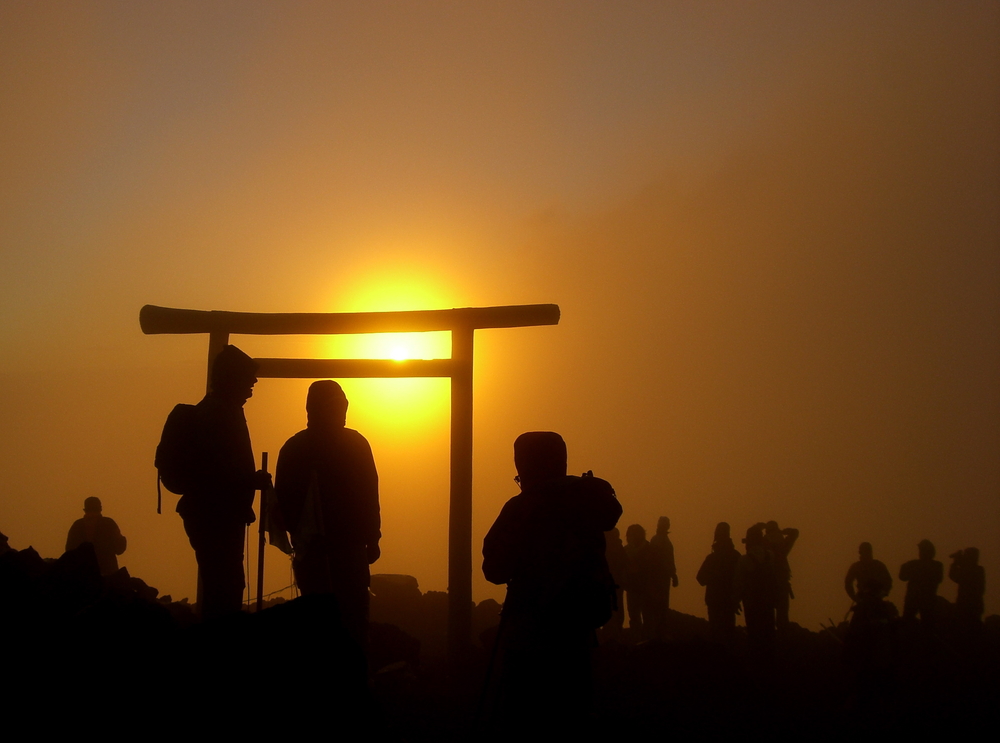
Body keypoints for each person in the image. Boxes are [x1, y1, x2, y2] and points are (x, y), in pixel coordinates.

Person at [482, 432, 621, 730]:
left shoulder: (521, 508)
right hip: (578, 630)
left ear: (524, 465)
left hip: (530, 634)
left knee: (526, 719)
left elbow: (493, 570)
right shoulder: (584, 501)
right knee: (573, 714)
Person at [274, 380, 380, 648]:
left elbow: (283, 504)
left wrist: (372, 537)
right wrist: (372, 537)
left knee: (324, 625)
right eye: (336, 407)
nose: (341, 413)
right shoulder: (355, 445)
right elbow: (370, 495)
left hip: (328, 550)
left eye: (342, 407)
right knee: (346, 623)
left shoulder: (294, 448)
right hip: (333, 550)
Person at [175, 345, 270, 621]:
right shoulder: (219, 414)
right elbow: (217, 472)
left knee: (223, 586)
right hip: (215, 518)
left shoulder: (220, 410)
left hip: (214, 515)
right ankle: (218, 652)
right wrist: (251, 481)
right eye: (247, 379)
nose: (253, 384)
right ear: (232, 378)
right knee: (224, 588)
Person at [734, 523, 777, 658]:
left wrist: (735, 601)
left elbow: (738, 583)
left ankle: (755, 659)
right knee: (768, 630)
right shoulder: (770, 556)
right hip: (768, 600)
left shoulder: (744, 560)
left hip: (751, 601)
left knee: (753, 631)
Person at [696, 522, 741, 645]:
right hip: (729, 601)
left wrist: (714, 577)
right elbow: (742, 580)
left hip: (714, 601)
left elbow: (700, 579)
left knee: (715, 633)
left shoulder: (712, 558)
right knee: (729, 634)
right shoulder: (736, 556)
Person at [65, 496, 127, 576]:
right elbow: (119, 548)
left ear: (85, 509)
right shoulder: (109, 523)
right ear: (100, 508)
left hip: (81, 574)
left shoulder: (77, 525)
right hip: (108, 573)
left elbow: (69, 550)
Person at [646, 516, 678, 638]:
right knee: (660, 604)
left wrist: (673, 574)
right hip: (659, 577)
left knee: (660, 604)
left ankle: (658, 631)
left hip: (661, 576)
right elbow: (667, 560)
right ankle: (658, 632)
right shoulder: (660, 541)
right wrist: (673, 574)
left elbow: (669, 559)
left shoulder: (658, 540)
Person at [899, 539, 943, 624]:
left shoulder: (914, 565)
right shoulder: (936, 566)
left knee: (911, 621)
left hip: (919, 599)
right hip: (922, 599)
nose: (920, 552)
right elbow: (902, 577)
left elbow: (902, 577)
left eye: (922, 550)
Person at [764, 520, 799, 629]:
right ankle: (782, 638)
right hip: (781, 583)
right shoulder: (783, 546)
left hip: (767, 584)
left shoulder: (763, 543)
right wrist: (782, 532)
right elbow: (795, 532)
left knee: (767, 615)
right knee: (782, 616)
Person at [623, 523, 650, 638]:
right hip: (632, 587)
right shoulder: (626, 550)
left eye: (633, 535)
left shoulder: (649, 550)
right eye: (629, 535)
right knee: (634, 614)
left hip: (644, 588)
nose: (630, 538)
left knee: (646, 613)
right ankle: (637, 636)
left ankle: (645, 636)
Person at [949, 547, 985, 626]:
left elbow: (954, 576)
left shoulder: (975, 570)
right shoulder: (979, 570)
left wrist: (955, 563)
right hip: (975, 607)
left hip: (965, 606)